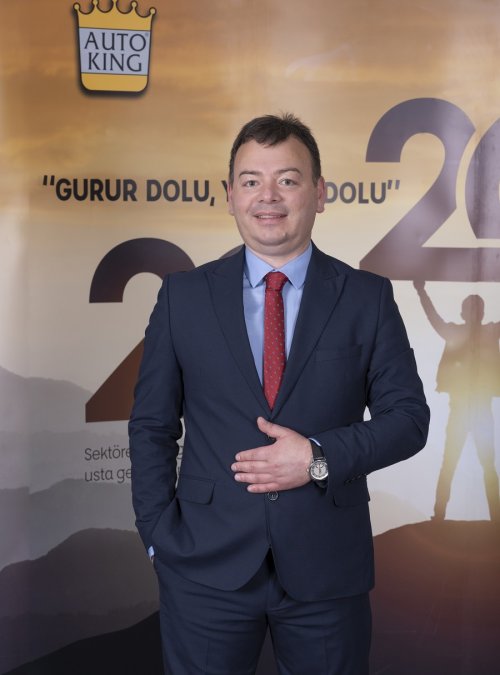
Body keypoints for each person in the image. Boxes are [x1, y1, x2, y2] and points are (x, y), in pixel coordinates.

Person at [129, 113, 430, 675]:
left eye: (287, 180)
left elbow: (409, 419)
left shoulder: (366, 297)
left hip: (327, 567)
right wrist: (157, 536)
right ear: (230, 196)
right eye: (251, 181)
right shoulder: (182, 297)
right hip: (202, 566)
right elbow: (151, 425)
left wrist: (316, 457)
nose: (268, 196)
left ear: (319, 193)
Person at [414, 281, 500, 521]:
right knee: (470, 464)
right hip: (470, 408)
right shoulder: (485, 332)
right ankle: (447, 514)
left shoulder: (469, 332)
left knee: (459, 463)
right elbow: (433, 318)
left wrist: (421, 291)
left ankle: (441, 515)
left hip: (472, 408)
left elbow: (433, 318)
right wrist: (421, 291)